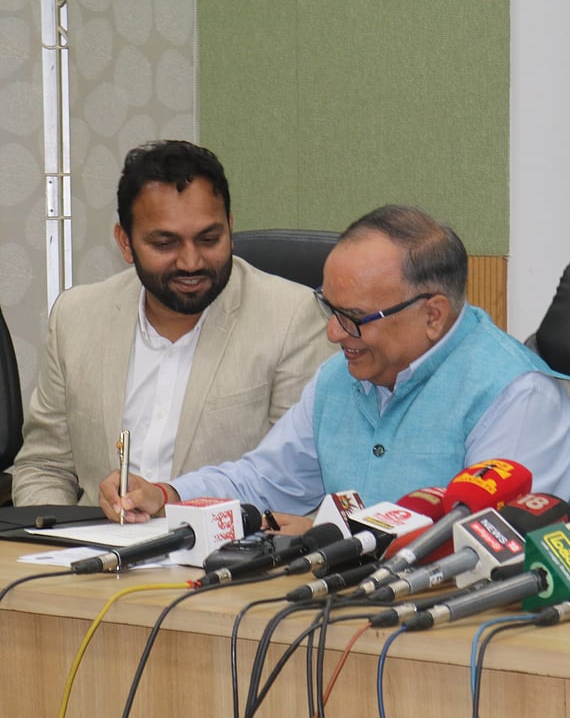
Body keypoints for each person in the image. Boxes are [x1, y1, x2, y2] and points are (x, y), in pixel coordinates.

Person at [99, 204, 570, 530]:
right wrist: (165, 494)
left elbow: (488, 540)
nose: (334, 334)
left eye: (354, 318)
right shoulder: (342, 377)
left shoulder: (517, 394)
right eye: (328, 308)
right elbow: (263, 481)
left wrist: (325, 530)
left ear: (433, 315)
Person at [12, 140, 333, 507]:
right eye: (165, 243)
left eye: (209, 239)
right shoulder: (77, 316)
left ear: (230, 226)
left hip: (224, 555)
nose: (191, 261)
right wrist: (59, 544)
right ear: (125, 243)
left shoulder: (293, 318)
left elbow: (293, 482)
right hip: (93, 553)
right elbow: (44, 466)